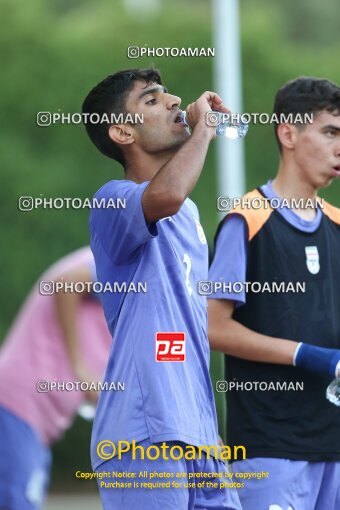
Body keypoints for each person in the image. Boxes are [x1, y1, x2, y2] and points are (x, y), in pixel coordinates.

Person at [82, 68, 241, 510]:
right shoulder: (113, 199)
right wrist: (205, 132)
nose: (173, 101)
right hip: (143, 431)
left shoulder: (187, 213)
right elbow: (165, 195)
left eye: (168, 94)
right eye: (151, 100)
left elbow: (175, 196)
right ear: (122, 132)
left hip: (201, 435)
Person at [208, 76, 340, 510]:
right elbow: (214, 328)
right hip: (270, 449)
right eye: (330, 132)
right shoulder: (246, 219)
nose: (339, 146)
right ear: (289, 133)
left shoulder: (338, 223)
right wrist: (307, 354)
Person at [0, 246, 112, 510]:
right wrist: (79, 365)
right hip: (17, 405)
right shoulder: (115, 257)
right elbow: (67, 283)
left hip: (33, 421)